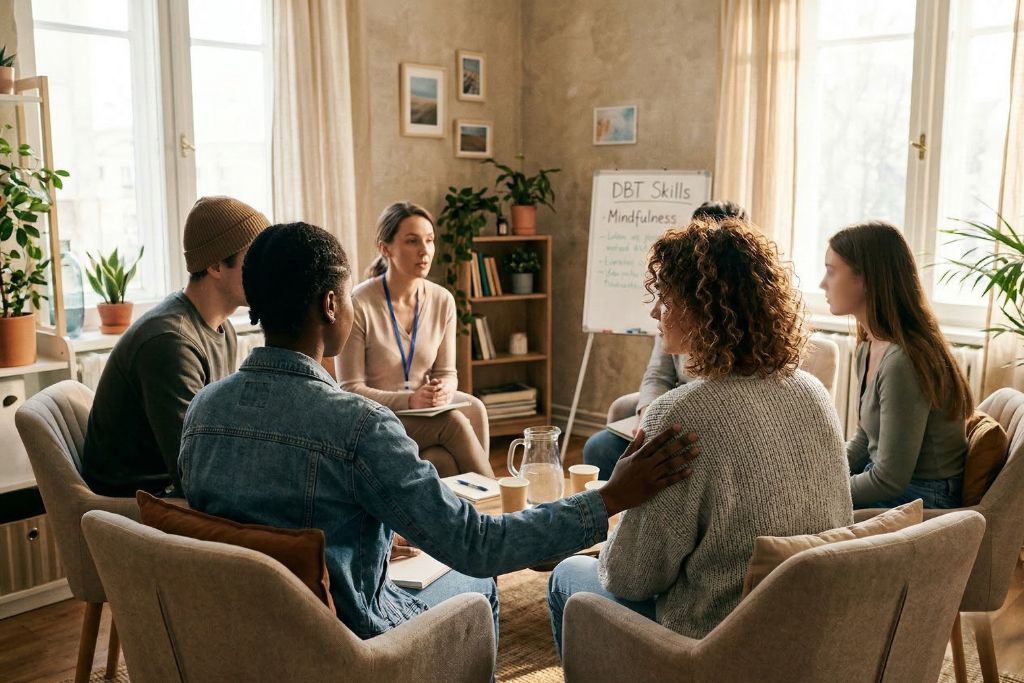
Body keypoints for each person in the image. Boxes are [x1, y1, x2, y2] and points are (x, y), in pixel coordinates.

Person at [178, 221, 700, 642]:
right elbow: (476, 544)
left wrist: (381, 536)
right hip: (347, 644)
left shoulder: (203, 411)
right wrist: (610, 497)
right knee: (475, 582)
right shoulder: (358, 426)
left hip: (237, 636)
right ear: (330, 305)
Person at [548, 216, 852, 654]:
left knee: (568, 575)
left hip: (715, 641)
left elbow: (634, 578)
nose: (655, 312)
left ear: (704, 308)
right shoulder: (812, 391)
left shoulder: (681, 414)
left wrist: (617, 525)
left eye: (666, 299)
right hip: (807, 626)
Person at [82, 196, 269, 497]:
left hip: (172, 487)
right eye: (255, 258)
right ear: (215, 265)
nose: (266, 269)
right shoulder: (171, 343)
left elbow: (216, 435)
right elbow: (193, 473)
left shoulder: (223, 327)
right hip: (141, 504)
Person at [582, 199, 748, 480]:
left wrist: (665, 422)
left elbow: (724, 408)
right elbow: (657, 374)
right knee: (599, 449)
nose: (654, 312)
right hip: (670, 418)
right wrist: (651, 417)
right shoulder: (674, 314)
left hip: (697, 429)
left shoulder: (739, 321)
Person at [820, 220, 972, 508]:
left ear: (865, 279)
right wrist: (821, 475)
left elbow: (889, 479)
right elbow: (865, 439)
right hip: (890, 483)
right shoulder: (868, 347)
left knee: (797, 513)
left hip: (927, 496)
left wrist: (820, 495)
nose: (822, 284)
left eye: (831, 271)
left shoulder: (902, 361)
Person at [336, 202, 493, 477]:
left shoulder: (442, 300)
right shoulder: (359, 304)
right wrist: (411, 400)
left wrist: (442, 390)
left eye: (430, 240)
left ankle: (471, 510)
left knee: (464, 423)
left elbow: (447, 373)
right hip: (375, 417)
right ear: (385, 248)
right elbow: (350, 390)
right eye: (412, 241)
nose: (425, 250)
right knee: (454, 422)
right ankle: (502, 505)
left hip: (423, 413)